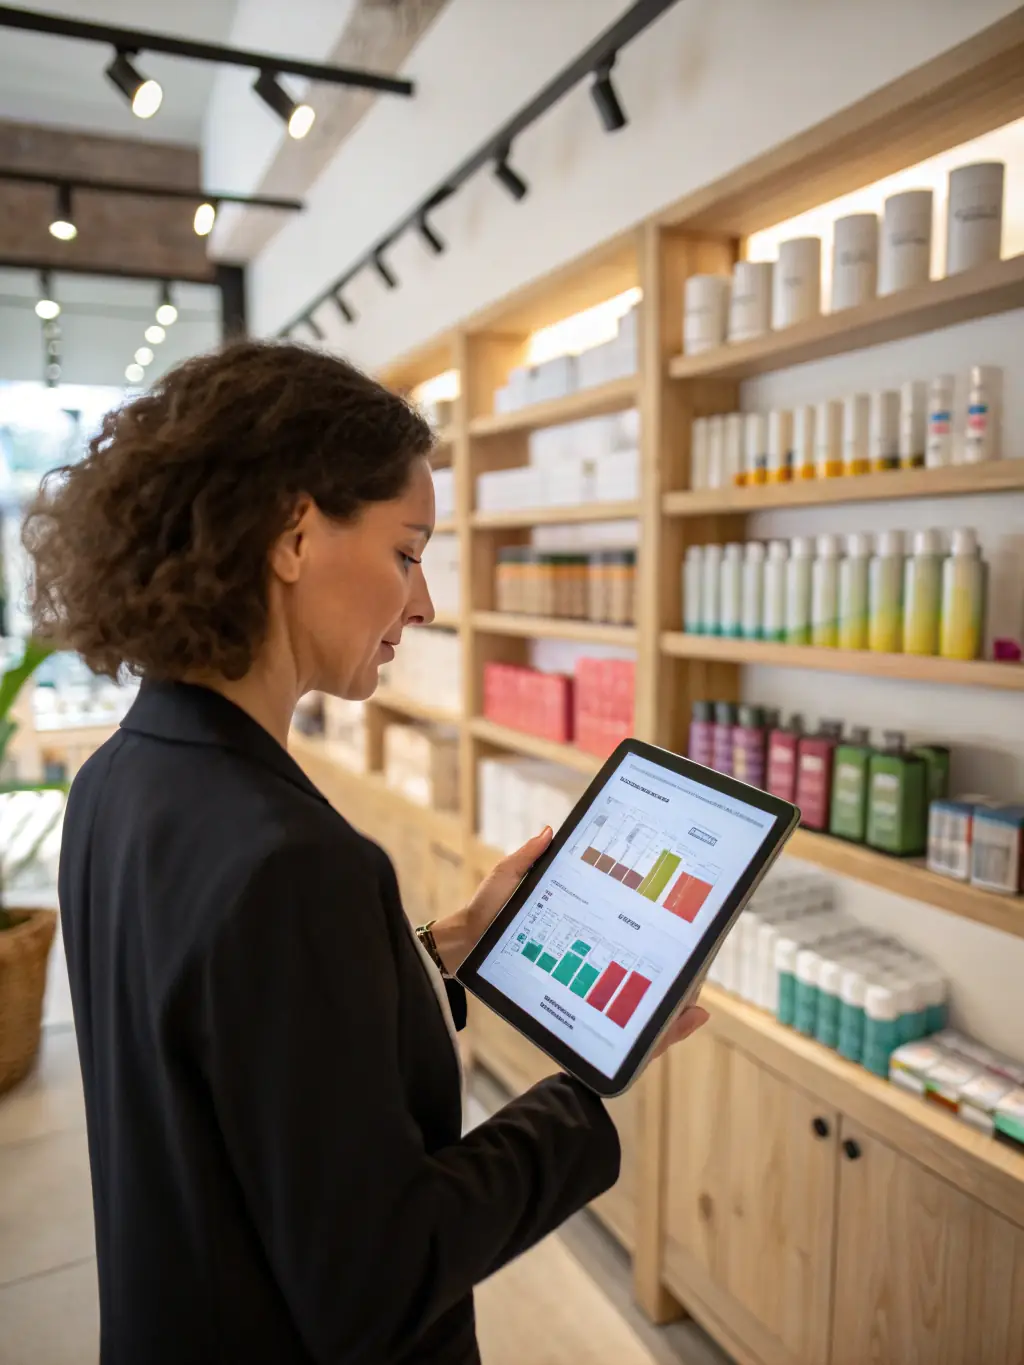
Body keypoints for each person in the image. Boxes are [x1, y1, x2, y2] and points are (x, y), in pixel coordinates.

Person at [24, 341, 708, 1365]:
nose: (423, 604)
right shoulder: (293, 862)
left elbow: (237, 1050)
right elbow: (379, 1278)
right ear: (295, 534)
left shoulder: (117, 779)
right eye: (406, 551)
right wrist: (583, 1084)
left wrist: (447, 945)